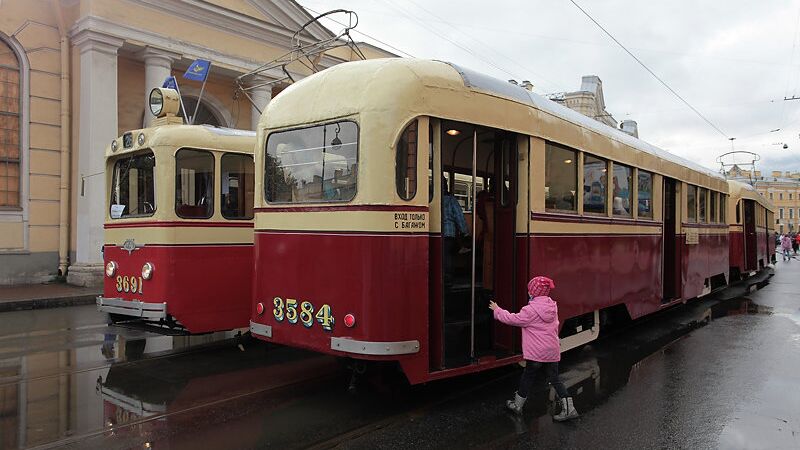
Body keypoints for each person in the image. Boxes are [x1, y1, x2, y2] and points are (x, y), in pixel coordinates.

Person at [489, 276, 579, 421]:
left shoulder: (530, 310)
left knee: (528, 376)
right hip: (551, 351)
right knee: (555, 379)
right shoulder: (552, 306)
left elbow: (513, 319)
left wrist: (497, 310)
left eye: (530, 290)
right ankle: (570, 409)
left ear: (533, 292)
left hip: (536, 353)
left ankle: (517, 405)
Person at [442, 177, 469, 285]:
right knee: (448, 255)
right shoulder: (451, 200)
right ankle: (448, 277)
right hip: (449, 232)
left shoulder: (429, 198)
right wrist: (465, 232)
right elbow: (459, 216)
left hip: (435, 232)